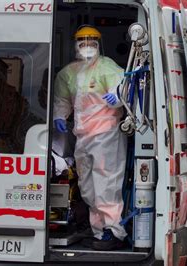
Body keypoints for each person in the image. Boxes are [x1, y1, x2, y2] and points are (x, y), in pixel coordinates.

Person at [53, 25, 127, 250]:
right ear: (76, 45)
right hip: (83, 135)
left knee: (106, 184)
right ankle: (99, 231)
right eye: (83, 43)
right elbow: (62, 99)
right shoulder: (69, 73)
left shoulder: (107, 68)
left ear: (98, 45)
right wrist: (59, 116)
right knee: (87, 186)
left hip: (106, 133)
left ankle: (113, 231)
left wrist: (118, 96)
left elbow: (123, 87)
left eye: (91, 43)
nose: (87, 47)